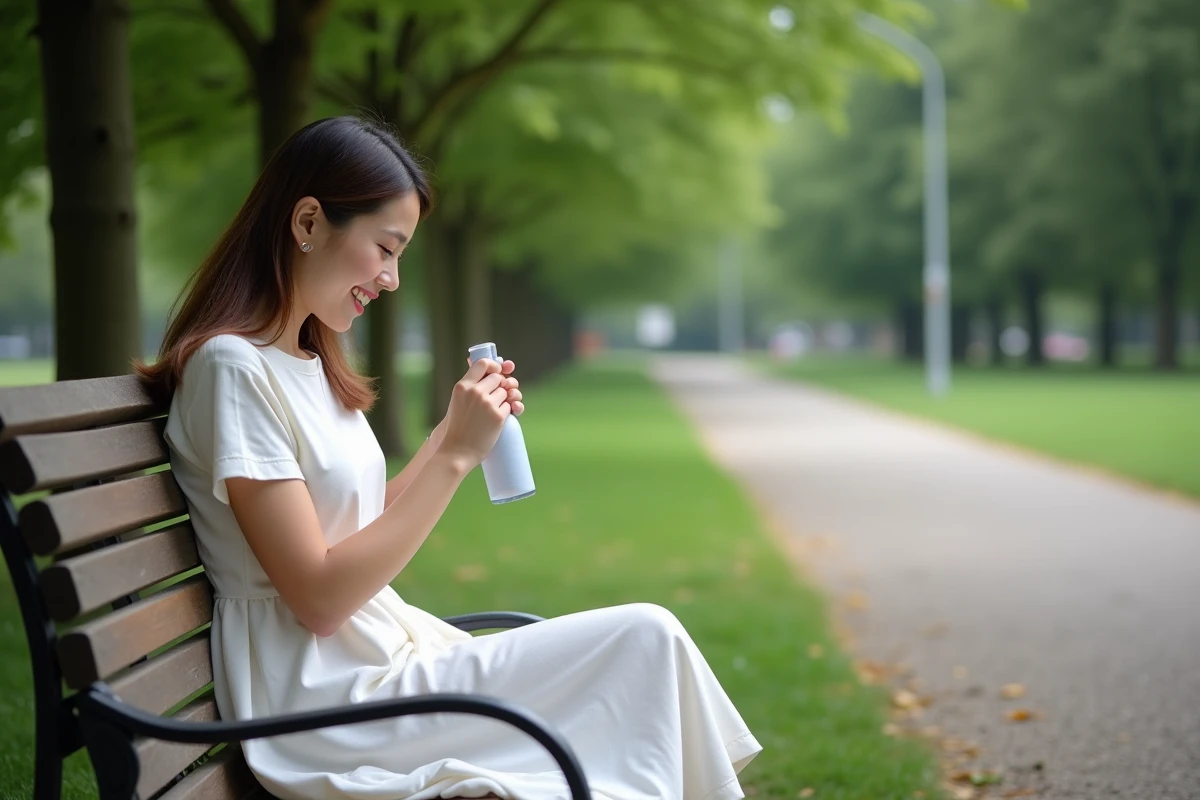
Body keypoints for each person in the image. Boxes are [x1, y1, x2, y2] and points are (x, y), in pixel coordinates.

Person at [136, 116, 762, 800]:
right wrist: (455, 458)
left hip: (378, 663)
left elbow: (352, 525)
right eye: (384, 247)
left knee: (647, 645)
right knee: (645, 636)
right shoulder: (233, 368)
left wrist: (448, 438)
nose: (393, 277)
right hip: (326, 701)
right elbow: (317, 598)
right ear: (308, 222)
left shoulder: (304, 363)